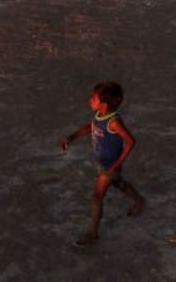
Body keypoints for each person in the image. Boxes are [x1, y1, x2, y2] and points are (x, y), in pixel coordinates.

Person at [60, 81, 145, 246]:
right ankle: (138, 200)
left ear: (104, 104)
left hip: (109, 165)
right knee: (118, 183)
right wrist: (72, 137)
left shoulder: (113, 122)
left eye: (93, 98)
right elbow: (92, 127)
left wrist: (116, 164)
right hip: (102, 162)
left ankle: (92, 232)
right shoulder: (99, 116)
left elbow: (130, 141)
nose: (90, 100)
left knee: (97, 196)